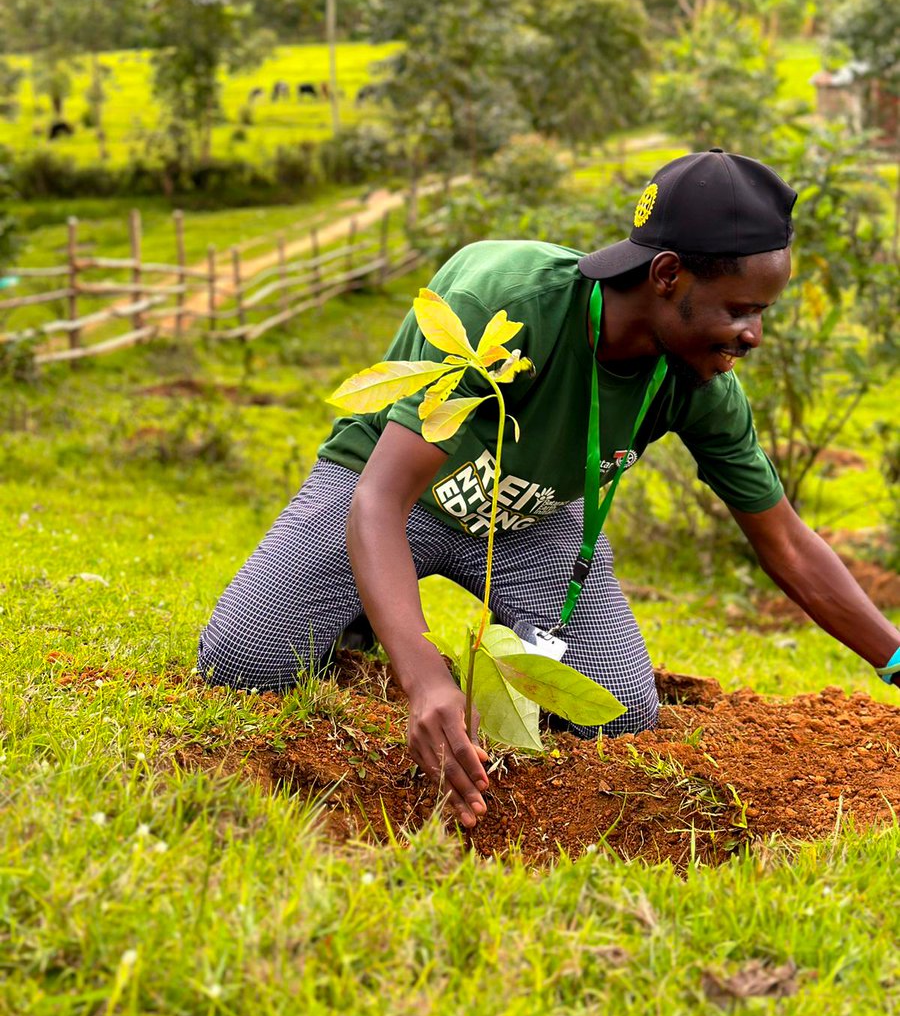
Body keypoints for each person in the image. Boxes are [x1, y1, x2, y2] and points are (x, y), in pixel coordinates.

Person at [198, 149, 900, 828]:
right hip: (394, 498)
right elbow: (379, 501)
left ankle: (492, 646)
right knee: (243, 659)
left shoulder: (700, 380)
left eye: (762, 315)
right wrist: (422, 678)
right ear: (666, 275)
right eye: (740, 309)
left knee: (619, 711)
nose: (752, 336)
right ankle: (366, 624)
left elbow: (787, 543)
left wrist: (896, 659)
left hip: (531, 524)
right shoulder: (509, 307)